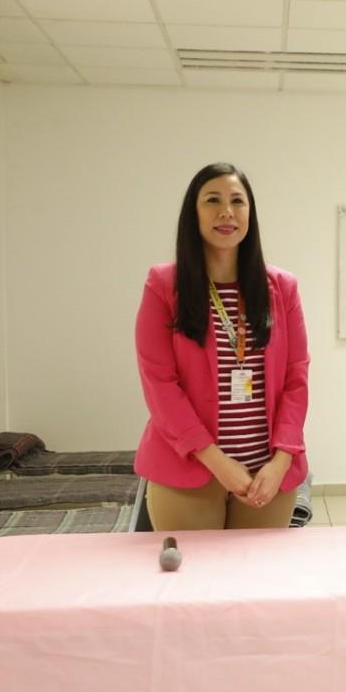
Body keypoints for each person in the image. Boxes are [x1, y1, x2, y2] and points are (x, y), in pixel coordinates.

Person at [134, 162, 309, 531]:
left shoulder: (282, 288)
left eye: (237, 201)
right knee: (194, 586)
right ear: (193, 214)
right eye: (213, 200)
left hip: (267, 477)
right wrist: (217, 462)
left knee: (256, 586)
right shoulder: (164, 285)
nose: (226, 211)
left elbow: (297, 379)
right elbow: (159, 384)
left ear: (250, 214)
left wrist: (279, 462)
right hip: (188, 470)